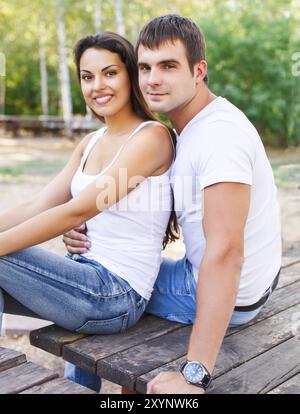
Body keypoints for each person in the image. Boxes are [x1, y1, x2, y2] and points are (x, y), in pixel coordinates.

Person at [64, 15, 282, 394]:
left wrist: (193, 374)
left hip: (231, 292)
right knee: (91, 268)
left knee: (87, 288)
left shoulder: (219, 138)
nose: (152, 80)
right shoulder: (191, 127)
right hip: (237, 280)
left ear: (198, 70)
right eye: (145, 67)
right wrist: (85, 227)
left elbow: (227, 252)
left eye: (168, 66)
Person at [0, 31, 178, 392]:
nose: (98, 85)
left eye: (110, 73)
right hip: (81, 277)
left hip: (114, 294)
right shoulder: (90, 142)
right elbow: (38, 205)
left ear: (130, 74)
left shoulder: (151, 138)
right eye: (87, 76)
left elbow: (73, 211)